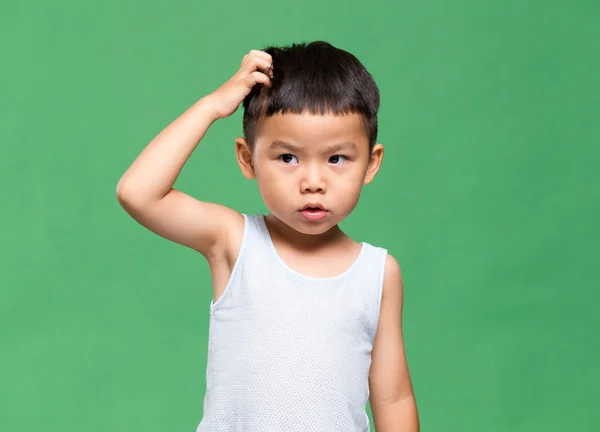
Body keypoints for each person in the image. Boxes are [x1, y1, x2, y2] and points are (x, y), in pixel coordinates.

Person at [116, 40, 419, 431]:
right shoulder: (234, 242)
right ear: (248, 158)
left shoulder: (378, 273)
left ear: (371, 163)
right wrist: (212, 106)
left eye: (336, 158)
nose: (313, 182)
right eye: (288, 158)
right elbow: (137, 193)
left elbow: (393, 397)